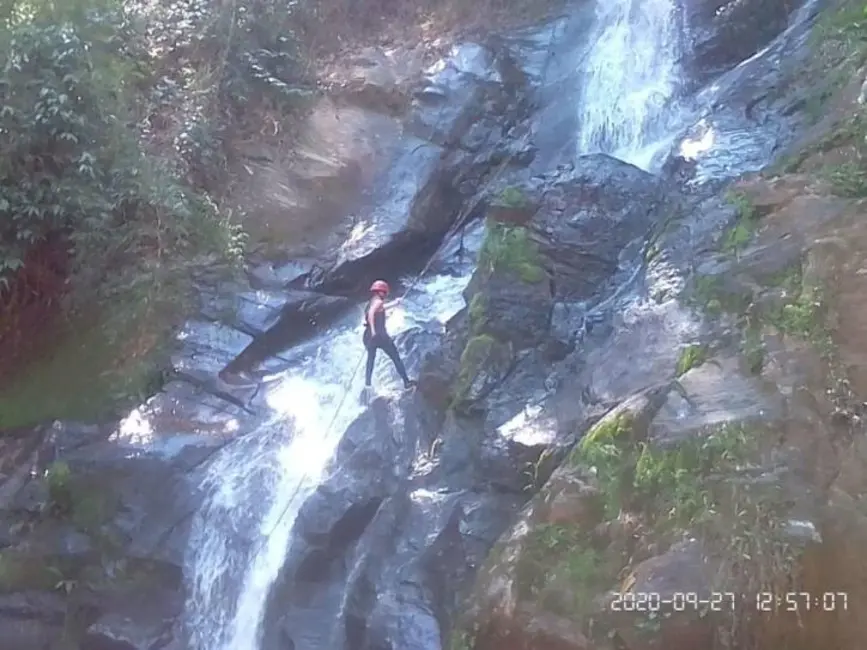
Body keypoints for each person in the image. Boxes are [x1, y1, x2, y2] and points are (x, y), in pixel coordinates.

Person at [363, 279, 416, 389]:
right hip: (380, 337)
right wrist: (374, 331)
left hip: (367, 337)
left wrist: (395, 303)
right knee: (395, 357)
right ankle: (406, 382)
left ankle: (367, 384)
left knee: (370, 360)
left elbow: (379, 309)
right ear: (381, 292)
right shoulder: (378, 302)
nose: (385, 294)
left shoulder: (372, 301)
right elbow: (371, 313)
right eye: (384, 292)